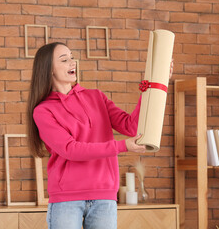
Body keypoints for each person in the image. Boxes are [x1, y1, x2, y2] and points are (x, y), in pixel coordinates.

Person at [27, 42, 155, 229]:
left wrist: (151, 87)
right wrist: (123, 146)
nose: (72, 62)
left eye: (72, 57)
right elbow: (71, 150)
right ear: (49, 70)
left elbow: (131, 126)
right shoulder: (43, 111)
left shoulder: (96, 97)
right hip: (66, 199)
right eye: (64, 60)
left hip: (104, 195)